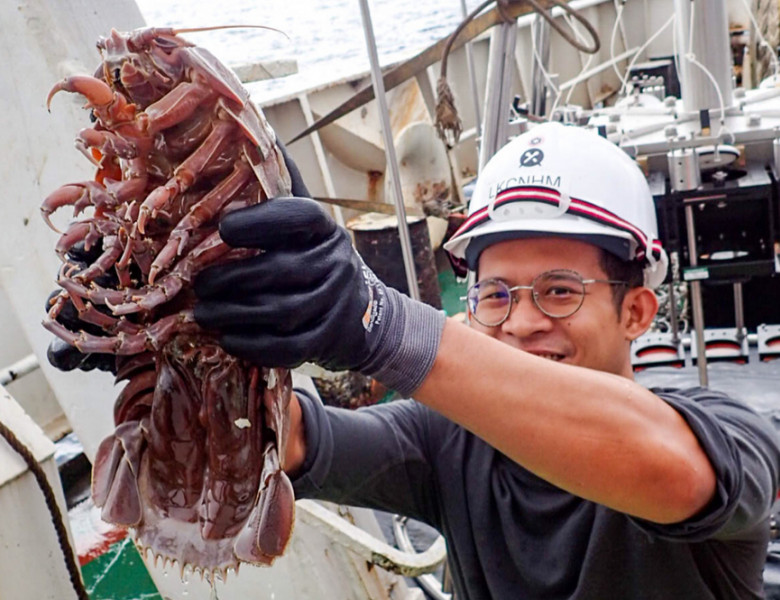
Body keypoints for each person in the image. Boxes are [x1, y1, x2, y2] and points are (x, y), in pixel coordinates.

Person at [52, 122, 780, 599]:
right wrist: (172, 328)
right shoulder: (446, 444)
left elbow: (674, 472)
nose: (522, 321)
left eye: (559, 291)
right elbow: (296, 435)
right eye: (495, 295)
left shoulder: (730, 435)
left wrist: (380, 322)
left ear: (636, 311)